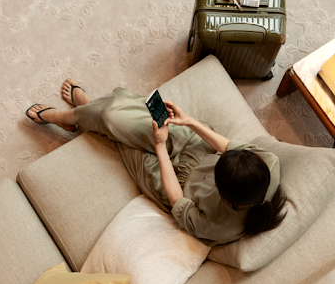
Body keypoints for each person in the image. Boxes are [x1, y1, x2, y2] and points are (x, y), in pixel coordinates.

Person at [25, 79, 287, 247]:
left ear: (224, 195)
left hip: (174, 184)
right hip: (199, 148)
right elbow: (227, 147)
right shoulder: (269, 165)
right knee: (117, 118)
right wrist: (190, 122)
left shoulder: (218, 227)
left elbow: (176, 199)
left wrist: (160, 145)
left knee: (122, 134)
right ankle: (85, 112)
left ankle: (76, 114)